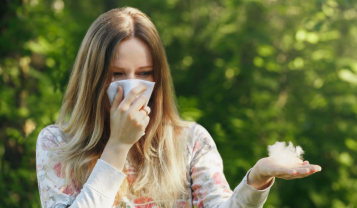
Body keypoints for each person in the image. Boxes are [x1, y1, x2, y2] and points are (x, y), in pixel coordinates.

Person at [35, 7, 321, 208]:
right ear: (93, 76)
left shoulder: (191, 141)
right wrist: (117, 146)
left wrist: (256, 179)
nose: (132, 87)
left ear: (158, 76)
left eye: (145, 73)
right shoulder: (57, 143)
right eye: (117, 74)